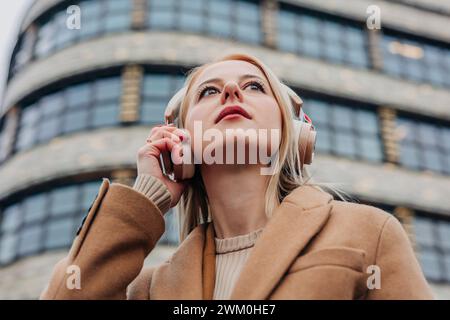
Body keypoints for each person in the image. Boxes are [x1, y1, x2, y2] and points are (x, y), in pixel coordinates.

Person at [40, 53, 433, 300]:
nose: (230, 90)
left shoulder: (369, 233)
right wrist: (146, 199)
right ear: (181, 137)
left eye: (254, 86)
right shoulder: (149, 289)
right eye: (208, 92)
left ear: (291, 133)